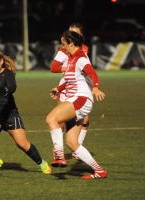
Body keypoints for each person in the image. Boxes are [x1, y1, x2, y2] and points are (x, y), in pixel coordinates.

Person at [0, 49, 52, 174]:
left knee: (22, 144)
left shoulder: (7, 74)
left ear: (2, 61)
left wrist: (6, 90)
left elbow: (12, 86)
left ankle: (42, 163)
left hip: (9, 113)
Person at [46, 30, 107, 179]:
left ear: (71, 43)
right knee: (72, 142)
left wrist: (96, 87)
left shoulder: (80, 57)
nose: (62, 47)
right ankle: (99, 171)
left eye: (64, 44)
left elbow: (92, 73)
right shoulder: (72, 58)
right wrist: (58, 89)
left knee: (51, 119)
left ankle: (59, 155)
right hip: (76, 99)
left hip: (80, 99)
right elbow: (70, 79)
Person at [50, 23, 90, 167]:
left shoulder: (83, 49)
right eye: (70, 32)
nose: (71, 35)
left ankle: (75, 148)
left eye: (75, 33)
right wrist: (67, 68)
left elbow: (87, 71)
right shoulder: (63, 50)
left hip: (79, 87)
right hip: (66, 87)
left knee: (85, 119)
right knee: (60, 121)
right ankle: (58, 154)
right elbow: (54, 67)